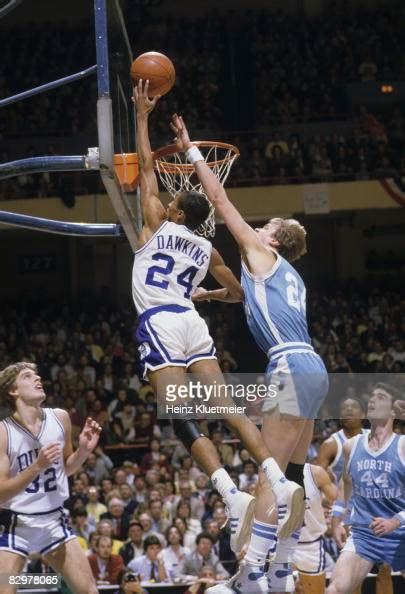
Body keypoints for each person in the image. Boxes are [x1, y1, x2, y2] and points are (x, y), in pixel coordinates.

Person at [131, 79, 303, 558]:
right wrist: (205, 293)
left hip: (161, 321)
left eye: (170, 202)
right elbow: (235, 291)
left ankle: (230, 492)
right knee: (226, 404)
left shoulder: (154, 221)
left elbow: (145, 167)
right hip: (191, 319)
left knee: (181, 413)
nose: (164, 201)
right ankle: (275, 478)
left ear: (177, 211)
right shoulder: (207, 247)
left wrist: (142, 116)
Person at [170, 113, 328, 592]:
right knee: (295, 476)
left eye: (265, 227)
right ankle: (280, 570)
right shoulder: (288, 275)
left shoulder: (261, 253)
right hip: (314, 366)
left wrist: (191, 149)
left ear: (274, 240)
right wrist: (211, 296)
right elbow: (242, 296)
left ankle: (251, 572)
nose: (256, 229)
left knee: (270, 473)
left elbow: (218, 199)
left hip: (289, 363)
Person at [0, 361, 101, 594]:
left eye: (37, 375)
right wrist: (37, 466)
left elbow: (66, 468)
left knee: (89, 591)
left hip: (55, 520)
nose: (37, 379)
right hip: (16, 523)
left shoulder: (60, 418)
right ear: (13, 391)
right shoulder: (3, 432)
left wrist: (84, 450)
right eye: (27, 376)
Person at [326, 383, 405, 594]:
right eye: (371, 397)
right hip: (365, 534)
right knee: (334, 590)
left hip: (401, 532)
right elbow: (345, 484)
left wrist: (395, 521)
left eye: (380, 397)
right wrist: (336, 520)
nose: (372, 400)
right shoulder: (351, 446)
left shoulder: (402, 446)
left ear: (392, 411)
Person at [292, 463, 337, 594]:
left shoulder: (316, 472)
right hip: (279, 543)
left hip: (310, 544)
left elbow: (337, 500)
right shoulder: (269, 471)